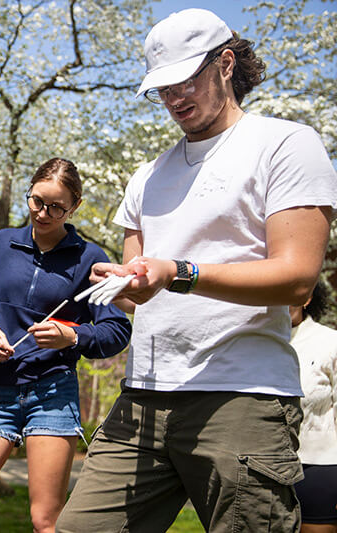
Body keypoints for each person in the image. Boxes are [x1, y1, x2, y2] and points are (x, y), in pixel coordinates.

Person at [56, 8, 337, 533]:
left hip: (242, 396)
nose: (174, 99)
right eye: (161, 88)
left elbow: (297, 276)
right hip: (144, 396)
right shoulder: (146, 176)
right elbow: (141, 289)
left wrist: (177, 271)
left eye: (185, 80)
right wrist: (126, 282)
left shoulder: (285, 144)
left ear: (225, 64)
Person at [0, 158, 132, 532]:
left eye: (57, 207)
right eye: (37, 201)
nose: (43, 213)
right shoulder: (2, 244)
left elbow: (117, 330)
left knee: (46, 523)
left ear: (75, 207)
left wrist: (71, 336)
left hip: (52, 395)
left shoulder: (89, 259)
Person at [290, 281, 337, 533]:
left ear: (306, 298)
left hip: (319, 467)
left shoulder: (330, 343)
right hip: (260, 467)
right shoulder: (251, 347)